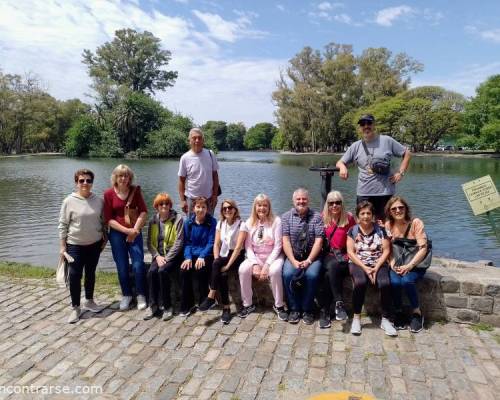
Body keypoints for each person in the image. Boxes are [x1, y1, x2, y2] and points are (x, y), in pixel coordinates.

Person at [336, 114, 411, 222]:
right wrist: (342, 167)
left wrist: (401, 172)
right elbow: (339, 162)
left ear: (374, 125)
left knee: (386, 226)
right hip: (364, 194)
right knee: (364, 225)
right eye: (363, 124)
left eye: (369, 123)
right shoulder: (356, 146)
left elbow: (407, 153)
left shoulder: (387, 141)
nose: (366, 126)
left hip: (385, 193)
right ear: (360, 128)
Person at [58, 169, 106, 323]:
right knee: (74, 276)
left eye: (88, 180)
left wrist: (104, 239)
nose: (85, 183)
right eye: (81, 180)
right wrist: (62, 247)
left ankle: (89, 301)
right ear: (76, 183)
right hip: (75, 246)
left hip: (94, 244)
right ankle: (75, 307)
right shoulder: (68, 201)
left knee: (90, 273)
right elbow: (63, 225)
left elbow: (103, 222)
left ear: (92, 183)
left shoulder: (98, 201)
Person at [346, 200, 397, 336]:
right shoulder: (353, 230)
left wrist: (375, 268)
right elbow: (350, 252)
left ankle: (385, 319)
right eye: (362, 213)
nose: (366, 216)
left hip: (378, 263)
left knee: (385, 283)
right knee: (360, 282)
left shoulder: (381, 230)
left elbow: (386, 251)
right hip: (358, 263)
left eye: (368, 213)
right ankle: (356, 318)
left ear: (373, 215)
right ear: (358, 216)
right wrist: (366, 268)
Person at [104, 165, 148, 311]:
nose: (123, 178)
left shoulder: (135, 192)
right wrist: (126, 230)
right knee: (121, 265)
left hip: (135, 232)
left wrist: (134, 230)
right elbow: (108, 219)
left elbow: (143, 212)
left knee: (138, 263)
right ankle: (127, 295)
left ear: (130, 178)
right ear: (115, 177)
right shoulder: (108, 194)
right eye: (120, 176)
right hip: (116, 233)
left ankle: (141, 294)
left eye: (126, 176)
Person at [237, 194, 286, 320]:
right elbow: (248, 247)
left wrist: (267, 265)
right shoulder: (249, 223)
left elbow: (278, 246)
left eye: (265, 205)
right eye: (259, 205)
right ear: (255, 207)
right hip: (256, 256)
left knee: (274, 271)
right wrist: (255, 264)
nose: (262, 208)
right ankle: (248, 304)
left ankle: (279, 305)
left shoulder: (276, 221)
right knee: (243, 269)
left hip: (274, 256)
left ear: (269, 207)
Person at [385, 196, 428, 333]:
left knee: (407, 281)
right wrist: (392, 264)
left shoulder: (416, 223)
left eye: (400, 207)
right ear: (390, 212)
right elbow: (387, 249)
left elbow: (423, 248)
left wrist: (409, 266)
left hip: (415, 264)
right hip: (396, 262)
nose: (398, 210)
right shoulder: (388, 225)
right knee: (395, 282)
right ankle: (398, 312)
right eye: (394, 209)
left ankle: (417, 313)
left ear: (406, 208)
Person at [198, 199, 246, 324]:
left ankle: (211, 296)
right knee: (222, 274)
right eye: (224, 208)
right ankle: (226, 308)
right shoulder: (220, 223)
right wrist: (216, 259)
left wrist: (228, 265)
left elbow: (238, 248)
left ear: (235, 209)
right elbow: (217, 244)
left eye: (230, 207)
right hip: (223, 255)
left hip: (236, 256)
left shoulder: (242, 224)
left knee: (222, 269)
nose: (227, 210)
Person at [282, 188, 324, 325]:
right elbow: (285, 240)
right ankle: (294, 309)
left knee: (311, 275)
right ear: (293, 201)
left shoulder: (317, 217)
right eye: (298, 199)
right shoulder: (286, 217)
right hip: (293, 255)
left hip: (312, 256)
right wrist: (293, 261)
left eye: (304, 199)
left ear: (308, 200)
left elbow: (319, 240)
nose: (301, 201)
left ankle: (307, 309)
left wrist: (309, 260)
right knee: (288, 274)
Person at [317, 191, 356, 329]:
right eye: (331, 203)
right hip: (327, 255)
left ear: (342, 204)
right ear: (327, 204)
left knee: (329, 273)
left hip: (344, 257)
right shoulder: (322, 218)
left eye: (337, 202)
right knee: (330, 268)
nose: (334, 205)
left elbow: (355, 240)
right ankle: (338, 304)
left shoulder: (349, 219)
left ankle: (325, 312)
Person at [144, 193, 184, 321]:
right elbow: (149, 242)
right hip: (159, 255)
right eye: (161, 204)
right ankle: (153, 305)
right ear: (157, 206)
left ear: (170, 205)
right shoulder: (153, 220)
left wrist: (166, 258)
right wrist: (157, 256)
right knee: (151, 272)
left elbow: (179, 243)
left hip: (173, 256)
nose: (164, 206)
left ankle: (167, 307)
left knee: (162, 271)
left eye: (167, 203)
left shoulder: (178, 219)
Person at [180, 196, 216, 316]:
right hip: (192, 254)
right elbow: (187, 243)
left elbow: (211, 242)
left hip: (206, 254)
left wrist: (202, 256)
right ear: (193, 208)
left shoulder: (212, 222)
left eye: (203, 207)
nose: (200, 210)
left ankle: (203, 300)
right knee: (184, 270)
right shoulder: (188, 223)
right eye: (198, 207)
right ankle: (187, 304)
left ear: (207, 209)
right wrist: (188, 257)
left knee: (201, 269)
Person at [178, 128, 220, 215]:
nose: (197, 140)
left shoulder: (210, 154)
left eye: (200, 138)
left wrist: (215, 196)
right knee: (191, 226)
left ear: (203, 140)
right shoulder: (185, 158)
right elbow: (181, 180)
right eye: (194, 138)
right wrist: (182, 200)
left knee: (209, 225)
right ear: (189, 140)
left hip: (208, 198)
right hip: (191, 199)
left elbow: (215, 176)